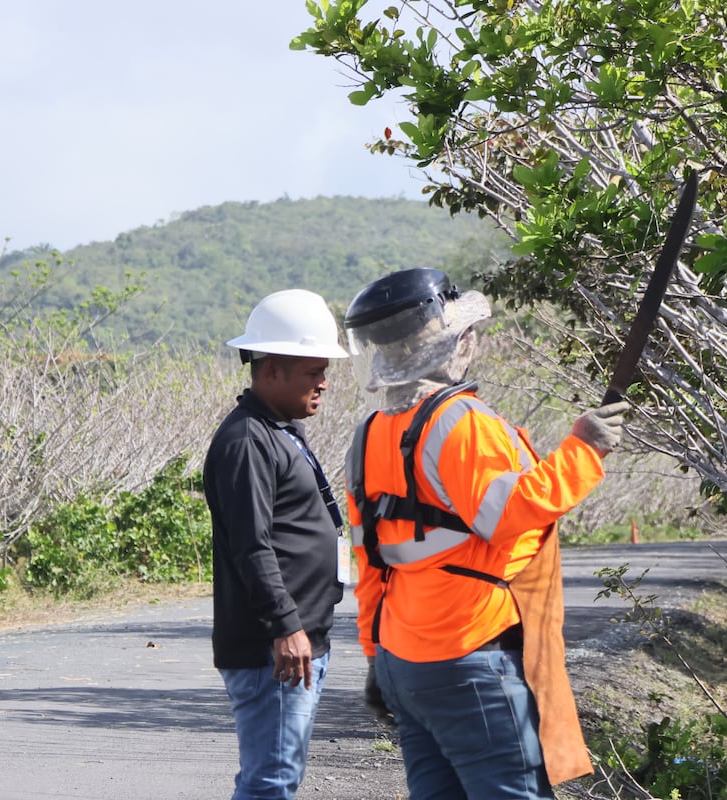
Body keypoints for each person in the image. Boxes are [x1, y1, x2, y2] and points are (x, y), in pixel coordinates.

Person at [341, 267, 630, 799]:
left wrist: (375, 656)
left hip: (402, 659)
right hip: (471, 651)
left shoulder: (368, 437)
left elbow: (370, 563)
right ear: (459, 342)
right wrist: (583, 449)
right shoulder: (461, 421)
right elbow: (511, 512)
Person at [203, 288, 350, 800]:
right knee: (271, 782)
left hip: (296, 644)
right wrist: (286, 627)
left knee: (277, 777)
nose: (324, 383)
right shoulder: (247, 440)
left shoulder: (278, 430)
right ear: (270, 371)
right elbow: (252, 545)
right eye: (313, 372)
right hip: (275, 650)